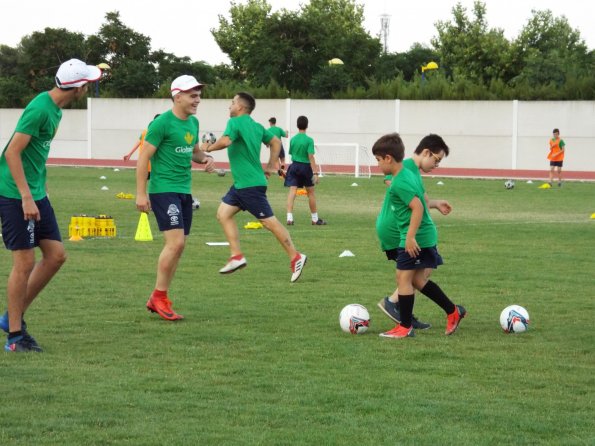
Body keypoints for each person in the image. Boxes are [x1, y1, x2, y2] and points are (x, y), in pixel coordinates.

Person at [0, 59, 101, 352]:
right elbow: (12, 153)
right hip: (13, 194)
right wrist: (25, 196)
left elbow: (34, 155)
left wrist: (38, 188)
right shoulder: (40, 109)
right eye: (88, 84)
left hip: (35, 192)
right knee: (25, 263)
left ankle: (10, 317)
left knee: (56, 255)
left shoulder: (55, 109)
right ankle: (15, 337)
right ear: (78, 88)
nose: (89, 88)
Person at [203, 92, 307, 283]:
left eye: (232, 103)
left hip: (249, 186)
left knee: (269, 222)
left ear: (240, 107)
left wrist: (206, 148)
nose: (229, 106)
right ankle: (236, 256)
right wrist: (269, 166)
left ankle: (295, 256)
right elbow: (276, 142)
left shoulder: (234, 123)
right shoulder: (257, 126)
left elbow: (226, 141)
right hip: (244, 184)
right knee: (223, 214)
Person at [136, 75, 215, 321]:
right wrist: (140, 193)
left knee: (179, 246)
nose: (197, 100)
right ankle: (159, 296)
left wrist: (206, 159)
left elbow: (194, 153)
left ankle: (159, 296)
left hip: (184, 191)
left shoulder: (193, 123)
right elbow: (143, 157)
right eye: (193, 95)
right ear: (177, 96)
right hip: (163, 189)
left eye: (199, 95)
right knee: (176, 243)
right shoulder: (162, 124)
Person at [372, 133, 466, 339]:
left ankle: (405, 325)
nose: (436, 165)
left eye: (378, 160)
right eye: (437, 160)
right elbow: (408, 195)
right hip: (406, 232)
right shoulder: (404, 171)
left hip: (412, 234)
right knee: (415, 279)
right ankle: (450, 311)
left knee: (406, 277)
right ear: (426, 152)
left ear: (388, 159)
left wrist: (410, 235)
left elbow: (416, 205)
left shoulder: (403, 175)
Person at [284, 115, 327, 226]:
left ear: (297, 126)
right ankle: (315, 219)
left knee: (292, 192)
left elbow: (292, 154)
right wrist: (316, 173)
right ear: (307, 126)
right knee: (311, 193)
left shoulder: (293, 140)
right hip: (305, 167)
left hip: (294, 166)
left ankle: (289, 217)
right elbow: (310, 157)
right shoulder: (309, 140)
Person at [123, 114, 160, 179]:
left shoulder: (145, 131)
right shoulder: (157, 133)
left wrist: (129, 154)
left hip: (144, 163)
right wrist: (129, 154)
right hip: (152, 165)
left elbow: (139, 142)